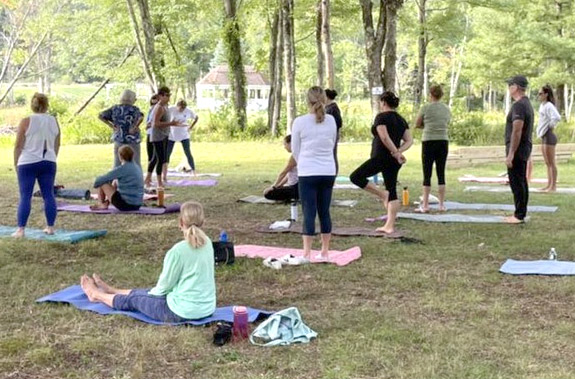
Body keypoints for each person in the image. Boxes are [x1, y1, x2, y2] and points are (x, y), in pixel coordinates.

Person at [80, 201, 216, 323]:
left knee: (136, 299)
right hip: (207, 308)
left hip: (180, 312)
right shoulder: (208, 243)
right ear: (203, 221)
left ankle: (96, 294)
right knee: (146, 293)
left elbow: (164, 287)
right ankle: (112, 290)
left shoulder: (178, 251)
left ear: (180, 222)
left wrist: (148, 295)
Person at [349, 91, 413, 234]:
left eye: (380, 102)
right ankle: (389, 226)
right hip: (393, 159)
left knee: (355, 177)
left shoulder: (381, 117)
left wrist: (396, 152)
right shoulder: (401, 119)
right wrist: (398, 152)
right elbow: (409, 140)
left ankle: (382, 194)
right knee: (392, 190)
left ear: (383, 102)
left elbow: (384, 137)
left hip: (381, 157)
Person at [291, 86, 337, 262]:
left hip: (308, 172)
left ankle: (306, 253)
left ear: (307, 101)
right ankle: (325, 251)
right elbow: (332, 144)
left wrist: (304, 162)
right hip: (327, 171)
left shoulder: (299, 122)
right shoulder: (331, 120)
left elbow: (295, 150)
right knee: (324, 211)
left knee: (309, 212)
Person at [13, 93, 60, 238]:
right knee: (48, 195)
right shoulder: (54, 121)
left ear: (32, 105)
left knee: (25, 196)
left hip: (28, 161)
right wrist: (52, 157)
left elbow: (18, 145)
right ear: (46, 105)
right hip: (49, 161)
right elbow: (57, 143)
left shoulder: (26, 121)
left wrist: (16, 163)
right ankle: (50, 227)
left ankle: (21, 230)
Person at [415, 85, 451, 212]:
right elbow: (446, 123)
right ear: (441, 95)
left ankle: (425, 205)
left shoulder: (425, 107)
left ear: (430, 94)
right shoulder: (446, 108)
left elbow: (417, 124)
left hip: (428, 140)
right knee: (441, 172)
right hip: (442, 141)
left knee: (427, 173)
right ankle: (441, 205)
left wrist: (427, 125)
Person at [504, 75, 534, 224]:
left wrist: (511, 154)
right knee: (521, 181)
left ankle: (519, 215)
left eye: (510, 85)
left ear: (516, 87)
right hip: (523, 148)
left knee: (517, 182)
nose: (509, 88)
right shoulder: (526, 103)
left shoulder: (519, 106)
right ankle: (520, 212)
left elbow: (517, 130)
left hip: (518, 149)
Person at [99, 90, 144, 168]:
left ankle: (116, 179)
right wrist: (135, 126)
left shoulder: (115, 109)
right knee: (136, 161)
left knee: (117, 162)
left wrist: (112, 126)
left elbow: (101, 116)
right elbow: (141, 117)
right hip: (132, 139)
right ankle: (136, 178)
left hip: (119, 137)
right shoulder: (134, 109)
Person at [147, 87, 182, 188]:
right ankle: (159, 182)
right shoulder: (159, 107)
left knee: (154, 158)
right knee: (161, 159)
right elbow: (156, 123)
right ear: (160, 96)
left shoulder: (165, 106)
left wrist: (172, 124)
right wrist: (171, 123)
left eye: (169, 95)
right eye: (166, 95)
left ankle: (148, 178)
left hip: (164, 135)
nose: (168, 97)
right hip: (158, 136)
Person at [91, 145, 144, 211]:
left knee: (102, 183)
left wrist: (96, 184)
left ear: (120, 156)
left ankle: (101, 204)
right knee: (115, 181)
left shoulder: (123, 168)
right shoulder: (137, 167)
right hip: (137, 204)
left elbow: (99, 180)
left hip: (126, 205)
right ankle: (105, 203)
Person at [536, 84, 561, 192]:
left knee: (551, 162)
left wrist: (550, 126)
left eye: (541, 93)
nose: (539, 95)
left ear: (546, 94)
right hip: (543, 136)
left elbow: (557, 117)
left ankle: (553, 186)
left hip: (548, 135)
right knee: (547, 163)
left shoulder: (549, 105)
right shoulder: (542, 105)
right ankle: (548, 184)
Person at [166, 99, 199, 177]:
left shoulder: (188, 111)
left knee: (187, 152)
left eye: (183, 108)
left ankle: (193, 170)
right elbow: (163, 115)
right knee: (168, 152)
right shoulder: (171, 109)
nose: (181, 110)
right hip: (172, 134)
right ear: (177, 106)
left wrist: (191, 127)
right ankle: (165, 169)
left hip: (184, 134)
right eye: (180, 108)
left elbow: (196, 117)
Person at [263, 134, 298, 202]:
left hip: (295, 188)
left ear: (290, 143)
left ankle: (294, 197)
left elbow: (283, 173)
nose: (284, 147)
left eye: (285, 144)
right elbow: (288, 175)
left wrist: (273, 187)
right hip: (294, 186)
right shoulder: (297, 154)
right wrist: (278, 185)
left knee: (267, 194)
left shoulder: (294, 156)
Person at [325, 89, 342, 173]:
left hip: (332, 135)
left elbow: (339, 122)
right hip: (328, 135)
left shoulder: (333, 108)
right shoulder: (327, 108)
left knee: (332, 155)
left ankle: (333, 174)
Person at [144, 94, 159, 187]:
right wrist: (148, 125)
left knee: (156, 157)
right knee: (150, 157)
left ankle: (152, 178)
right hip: (149, 134)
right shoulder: (150, 110)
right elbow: (147, 123)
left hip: (157, 135)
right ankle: (148, 178)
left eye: (155, 104)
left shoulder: (160, 110)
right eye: (152, 104)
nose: (153, 106)